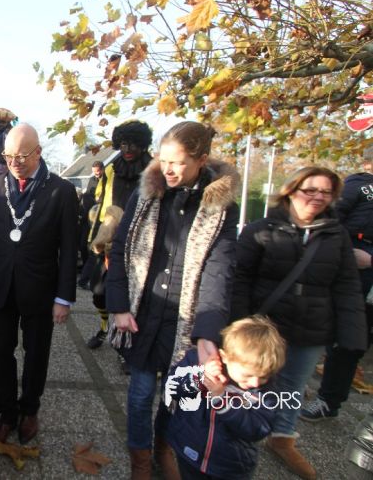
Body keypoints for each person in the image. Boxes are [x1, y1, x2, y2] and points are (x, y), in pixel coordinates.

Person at [105, 121, 238, 479]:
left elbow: (219, 270)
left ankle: (164, 446)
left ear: (201, 160)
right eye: (164, 161)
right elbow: (120, 250)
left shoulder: (222, 207)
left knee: (176, 395)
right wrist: (119, 307)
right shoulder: (146, 194)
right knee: (139, 394)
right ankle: (140, 458)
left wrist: (207, 333)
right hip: (145, 312)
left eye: (179, 162)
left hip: (185, 318)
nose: (169, 170)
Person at [231, 165, 366, 480]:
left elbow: (346, 286)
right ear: (291, 191)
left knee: (292, 386)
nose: (318, 197)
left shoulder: (337, 236)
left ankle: (282, 437)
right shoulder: (260, 230)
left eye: (326, 192)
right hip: (266, 326)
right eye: (310, 190)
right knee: (249, 383)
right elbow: (239, 279)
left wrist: (353, 334)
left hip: (312, 326)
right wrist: (237, 325)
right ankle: (236, 430)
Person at [0, 122, 79, 447]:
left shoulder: (61, 191)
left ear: (38, 152)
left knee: (36, 353)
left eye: (22, 156)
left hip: (40, 288)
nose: (14, 162)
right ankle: (6, 413)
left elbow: (69, 247)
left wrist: (64, 297)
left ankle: (30, 408)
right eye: (8, 156)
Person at [302, 146, 373, 422]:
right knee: (346, 339)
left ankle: (326, 399)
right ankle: (326, 399)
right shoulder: (358, 187)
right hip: (356, 278)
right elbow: (329, 224)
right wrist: (347, 253)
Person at [166, 316, 286, 480]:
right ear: (225, 357)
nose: (255, 382)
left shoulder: (267, 393)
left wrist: (223, 401)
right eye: (248, 375)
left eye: (264, 376)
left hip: (231, 465)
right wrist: (199, 378)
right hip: (189, 451)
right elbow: (171, 387)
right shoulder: (198, 361)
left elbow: (258, 429)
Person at [85, 120, 153, 353]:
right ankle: (105, 327)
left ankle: (127, 344)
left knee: (134, 298)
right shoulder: (111, 169)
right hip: (109, 240)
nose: (127, 149)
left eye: (133, 144)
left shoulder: (153, 170)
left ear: (142, 144)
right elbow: (101, 202)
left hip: (140, 243)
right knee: (99, 292)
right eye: (123, 144)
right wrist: (94, 237)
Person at [77, 160, 106, 289]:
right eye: (94, 172)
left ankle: (88, 276)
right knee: (85, 245)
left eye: (98, 171)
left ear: (102, 169)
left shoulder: (106, 180)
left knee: (95, 249)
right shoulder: (92, 181)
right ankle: (85, 273)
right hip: (89, 218)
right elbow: (88, 197)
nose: (96, 174)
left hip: (100, 217)